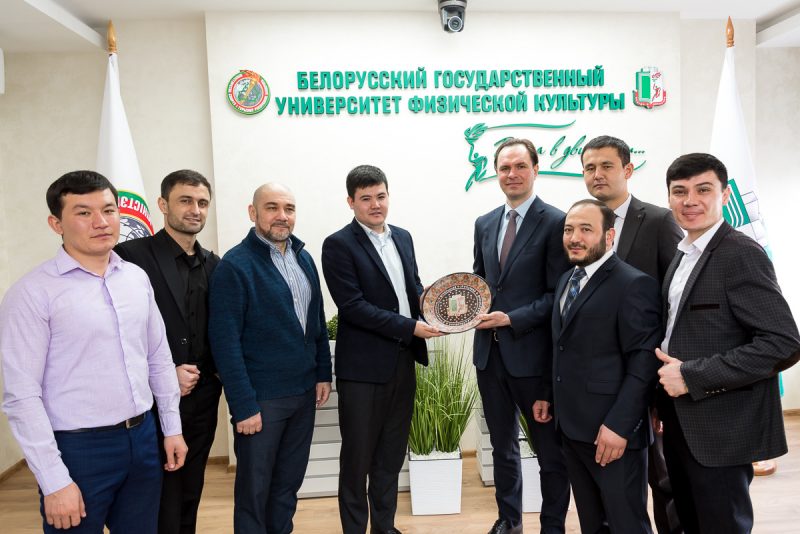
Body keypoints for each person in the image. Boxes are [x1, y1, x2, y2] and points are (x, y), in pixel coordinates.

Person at [0, 170, 187, 533]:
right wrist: (54, 480)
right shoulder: (32, 293)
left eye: (109, 210)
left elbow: (158, 358)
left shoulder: (136, 278)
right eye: (83, 213)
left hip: (143, 438)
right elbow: (21, 396)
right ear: (56, 224)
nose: (101, 222)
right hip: (78, 450)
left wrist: (172, 429)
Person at [656, 153, 800, 533]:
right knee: (688, 521)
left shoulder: (740, 253)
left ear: (723, 196)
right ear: (669, 198)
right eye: (680, 191)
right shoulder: (684, 254)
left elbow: (783, 343)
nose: (690, 200)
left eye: (703, 190)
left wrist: (691, 375)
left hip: (722, 426)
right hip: (680, 418)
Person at [321, 165, 439, 534]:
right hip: (363, 371)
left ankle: (385, 528)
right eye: (366, 198)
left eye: (381, 196)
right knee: (357, 460)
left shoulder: (403, 237)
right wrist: (410, 327)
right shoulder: (338, 245)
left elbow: (412, 288)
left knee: (390, 455)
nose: (375, 204)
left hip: (403, 361)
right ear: (351, 202)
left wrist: (436, 308)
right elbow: (353, 307)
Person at [208, 183, 332, 534]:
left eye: (289, 208)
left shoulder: (303, 258)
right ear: (253, 212)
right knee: (255, 490)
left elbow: (317, 320)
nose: (282, 216)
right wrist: (243, 406)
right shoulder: (235, 266)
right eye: (272, 207)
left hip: (303, 394)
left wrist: (323, 372)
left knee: (287, 485)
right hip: (261, 400)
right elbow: (225, 343)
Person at [581, 135, 683, 534]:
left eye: (606, 166)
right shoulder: (581, 226)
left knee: (662, 475)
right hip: (601, 378)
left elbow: (674, 298)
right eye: (590, 167)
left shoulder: (657, 221)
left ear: (627, 169)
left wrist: (660, 376)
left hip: (648, 370)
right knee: (613, 480)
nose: (597, 174)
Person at [541, 199, 661, 533]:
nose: (574, 238)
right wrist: (547, 394)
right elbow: (562, 347)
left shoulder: (633, 284)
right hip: (572, 429)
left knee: (627, 525)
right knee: (593, 525)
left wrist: (620, 427)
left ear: (609, 236)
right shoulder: (567, 280)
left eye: (585, 229)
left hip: (612, 434)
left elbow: (643, 363)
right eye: (568, 230)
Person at [472, 138, 571, 534]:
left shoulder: (557, 222)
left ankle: (552, 526)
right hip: (489, 357)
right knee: (502, 446)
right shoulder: (484, 223)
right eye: (504, 168)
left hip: (534, 359)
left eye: (519, 166)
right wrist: (458, 305)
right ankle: (509, 521)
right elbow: (480, 283)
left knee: (550, 452)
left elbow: (558, 295)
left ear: (535, 169)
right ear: (496, 173)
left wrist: (510, 319)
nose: (511, 174)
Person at [115, 170, 221, 534]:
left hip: (204, 396)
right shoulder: (129, 256)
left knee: (191, 488)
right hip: (153, 398)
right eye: (185, 201)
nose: (195, 210)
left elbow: (219, 328)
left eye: (202, 202)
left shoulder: (214, 263)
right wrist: (163, 372)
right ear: (163, 204)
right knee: (159, 493)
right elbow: (118, 331)